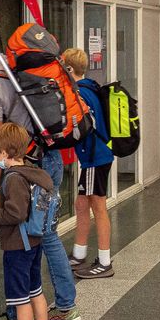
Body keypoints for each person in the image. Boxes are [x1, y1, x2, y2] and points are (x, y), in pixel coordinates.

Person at [0, 24, 81, 320]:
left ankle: (28, 314)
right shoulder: (11, 65)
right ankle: (51, 306)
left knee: (27, 239)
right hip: (48, 159)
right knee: (45, 234)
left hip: (24, 170)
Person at [0, 122, 58, 320]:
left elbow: (16, 213)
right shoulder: (33, 172)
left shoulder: (14, 178)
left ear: (5, 153)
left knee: (20, 298)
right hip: (34, 242)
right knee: (35, 290)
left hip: (19, 245)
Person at [62, 48, 115, 279]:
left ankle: (104, 262)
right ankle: (79, 253)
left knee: (98, 207)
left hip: (95, 158)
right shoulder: (89, 87)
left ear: (70, 69)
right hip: (95, 156)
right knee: (82, 204)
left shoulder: (80, 94)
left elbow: (81, 127)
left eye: (63, 66)